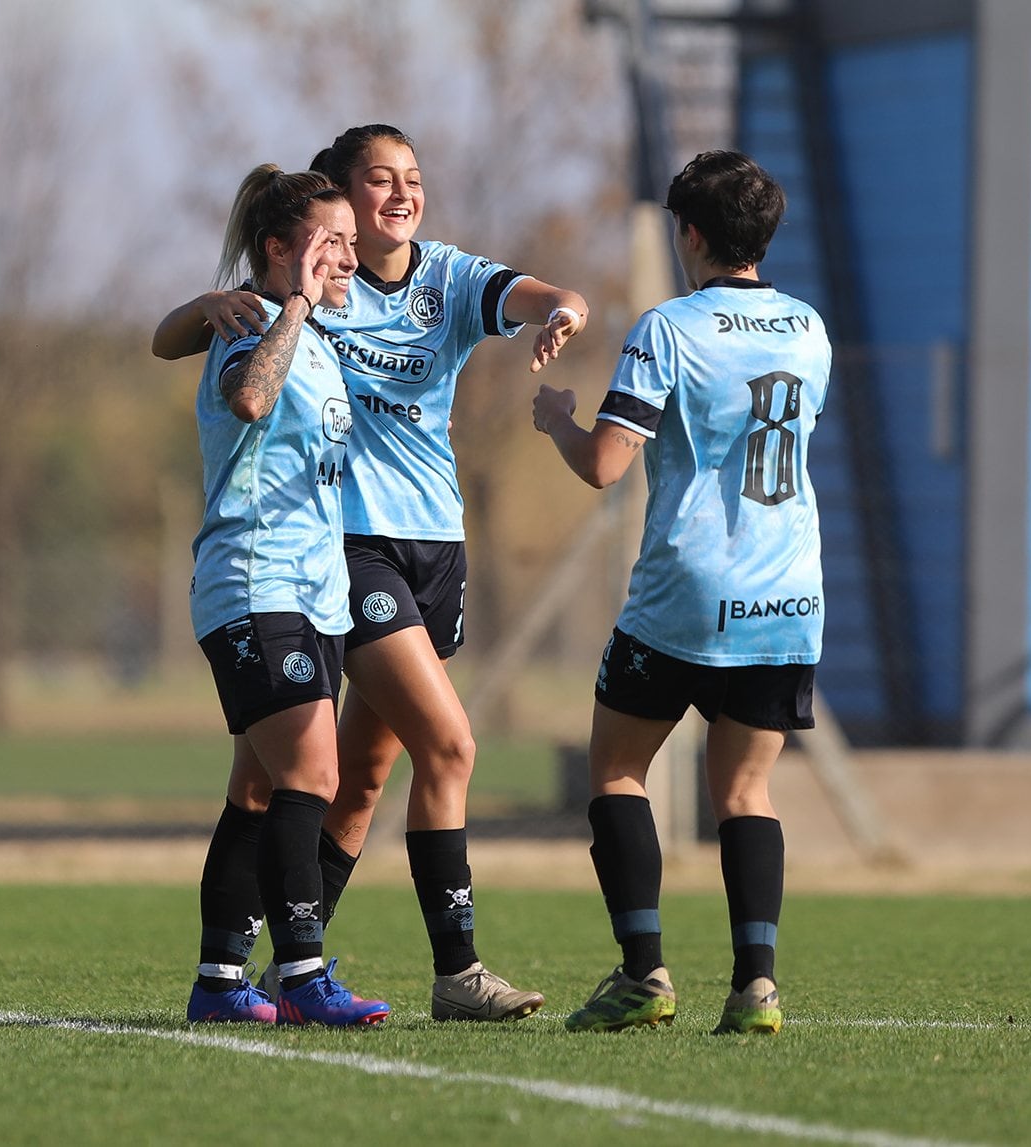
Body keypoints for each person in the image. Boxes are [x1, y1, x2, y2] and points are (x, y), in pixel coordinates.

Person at [155, 125, 586, 1022]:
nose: (398, 194)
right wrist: (213, 303)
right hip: (333, 555)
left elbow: (538, 291)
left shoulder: (442, 279)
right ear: (338, 198)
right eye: (376, 181)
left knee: (340, 779)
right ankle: (443, 968)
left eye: (413, 178)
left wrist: (564, 309)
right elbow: (206, 361)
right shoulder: (295, 299)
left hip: (427, 549)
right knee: (446, 745)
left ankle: (257, 972)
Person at [531, 151, 830, 1035]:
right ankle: (756, 988)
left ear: (690, 234)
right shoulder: (809, 328)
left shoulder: (668, 328)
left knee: (618, 769)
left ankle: (643, 973)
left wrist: (557, 422)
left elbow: (603, 465)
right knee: (745, 791)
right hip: (785, 595)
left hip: (684, 590)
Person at [182, 165, 389, 1027]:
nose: (348, 258)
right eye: (329, 243)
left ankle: (219, 982)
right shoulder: (255, 323)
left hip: (312, 594)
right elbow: (250, 394)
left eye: (350, 242)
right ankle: (300, 975)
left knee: (258, 791)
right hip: (255, 583)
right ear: (279, 252)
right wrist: (292, 307)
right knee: (315, 772)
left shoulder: (319, 335)